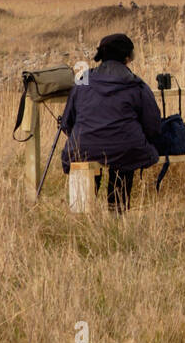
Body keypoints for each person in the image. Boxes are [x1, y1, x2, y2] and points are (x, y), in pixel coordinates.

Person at [60, 32, 161, 212]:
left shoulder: (82, 81)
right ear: (128, 57)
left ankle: (81, 215)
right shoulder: (136, 85)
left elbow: (67, 122)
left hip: (83, 147)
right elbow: (153, 125)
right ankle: (117, 213)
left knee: (86, 158)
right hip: (126, 149)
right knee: (126, 158)